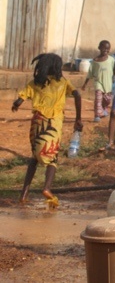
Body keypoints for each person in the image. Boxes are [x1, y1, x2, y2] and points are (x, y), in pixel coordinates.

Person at [12, 53, 83, 206]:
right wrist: (78, 118)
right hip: (53, 124)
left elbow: (20, 99)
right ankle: (47, 188)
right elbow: (77, 95)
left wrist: (15, 105)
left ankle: (24, 194)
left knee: (34, 157)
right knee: (53, 157)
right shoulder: (63, 82)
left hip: (37, 123)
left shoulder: (35, 83)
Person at [82, 40, 115, 131]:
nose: (106, 50)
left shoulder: (111, 60)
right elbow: (90, 73)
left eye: (108, 48)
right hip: (98, 83)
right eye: (104, 48)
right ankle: (97, 115)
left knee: (107, 100)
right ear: (99, 48)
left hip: (108, 84)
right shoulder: (95, 61)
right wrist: (85, 84)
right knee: (98, 99)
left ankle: (103, 109)